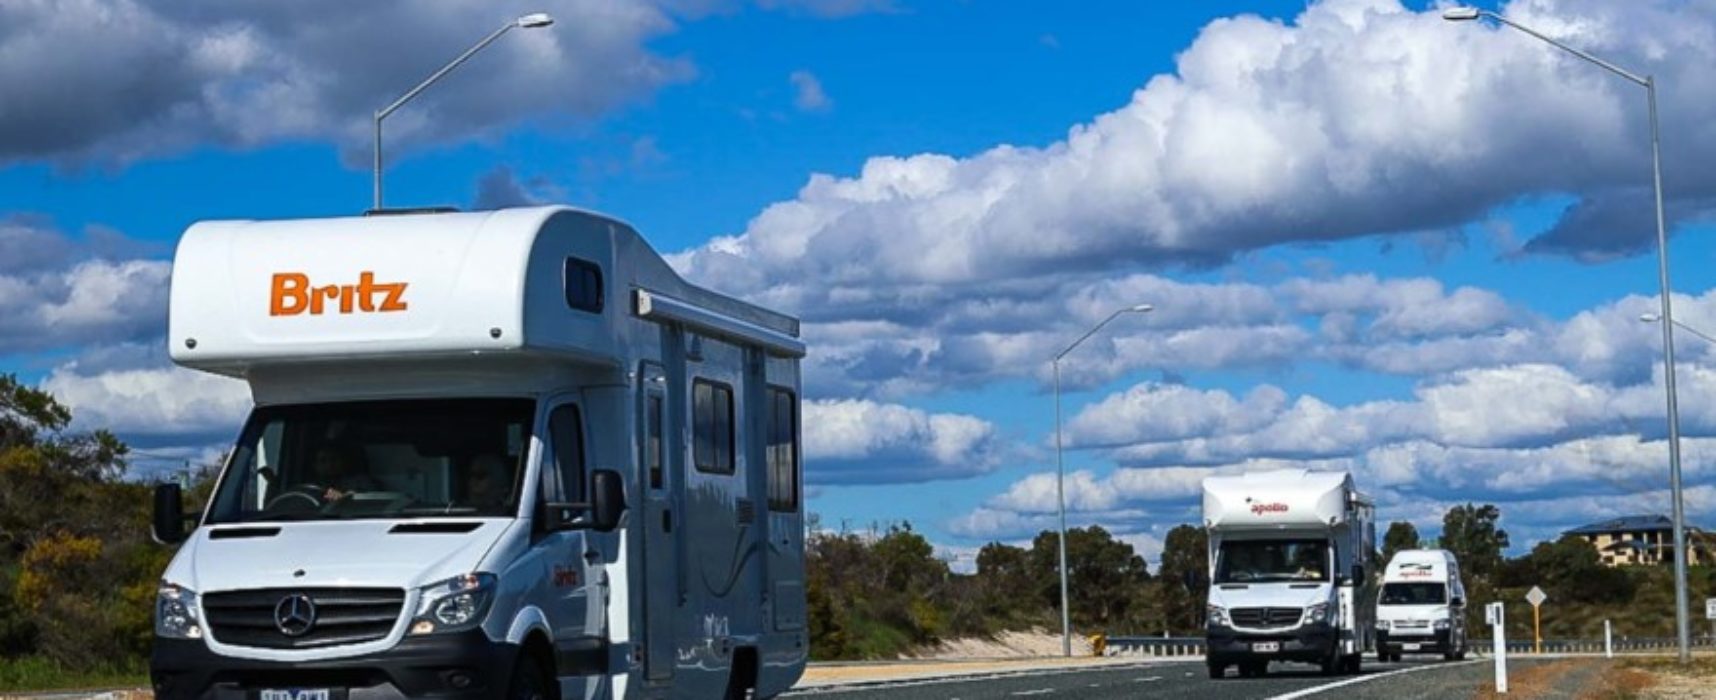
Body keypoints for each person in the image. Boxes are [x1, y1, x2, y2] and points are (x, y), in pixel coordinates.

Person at [311, 442, 381, 501]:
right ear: (315, 465)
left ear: (343, 461)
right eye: (323, 461)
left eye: (334, 459)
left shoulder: (360, 481)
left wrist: (352, 495)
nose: (329, 465)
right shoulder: (311, 487)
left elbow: (375, 497)